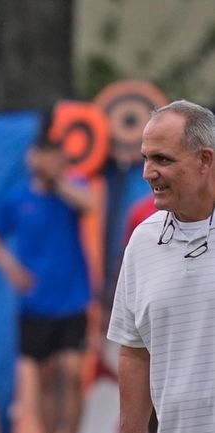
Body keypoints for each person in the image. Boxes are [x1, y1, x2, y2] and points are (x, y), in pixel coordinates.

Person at [107, 99, 215, 433]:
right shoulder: (143, 241)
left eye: (162, 159)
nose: (147, 172)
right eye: (146, 158)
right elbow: (135, 352)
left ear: (205, 160)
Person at [0, 138, 93, 433]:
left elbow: (88, 204)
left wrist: (57, 178)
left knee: (71, 371)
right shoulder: (18, 199)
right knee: (43, 375)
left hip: (73, 298)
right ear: (33, 158)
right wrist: (12, 270)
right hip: (35, 302)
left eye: (57, 157)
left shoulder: (71, 188)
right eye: (46, 156)